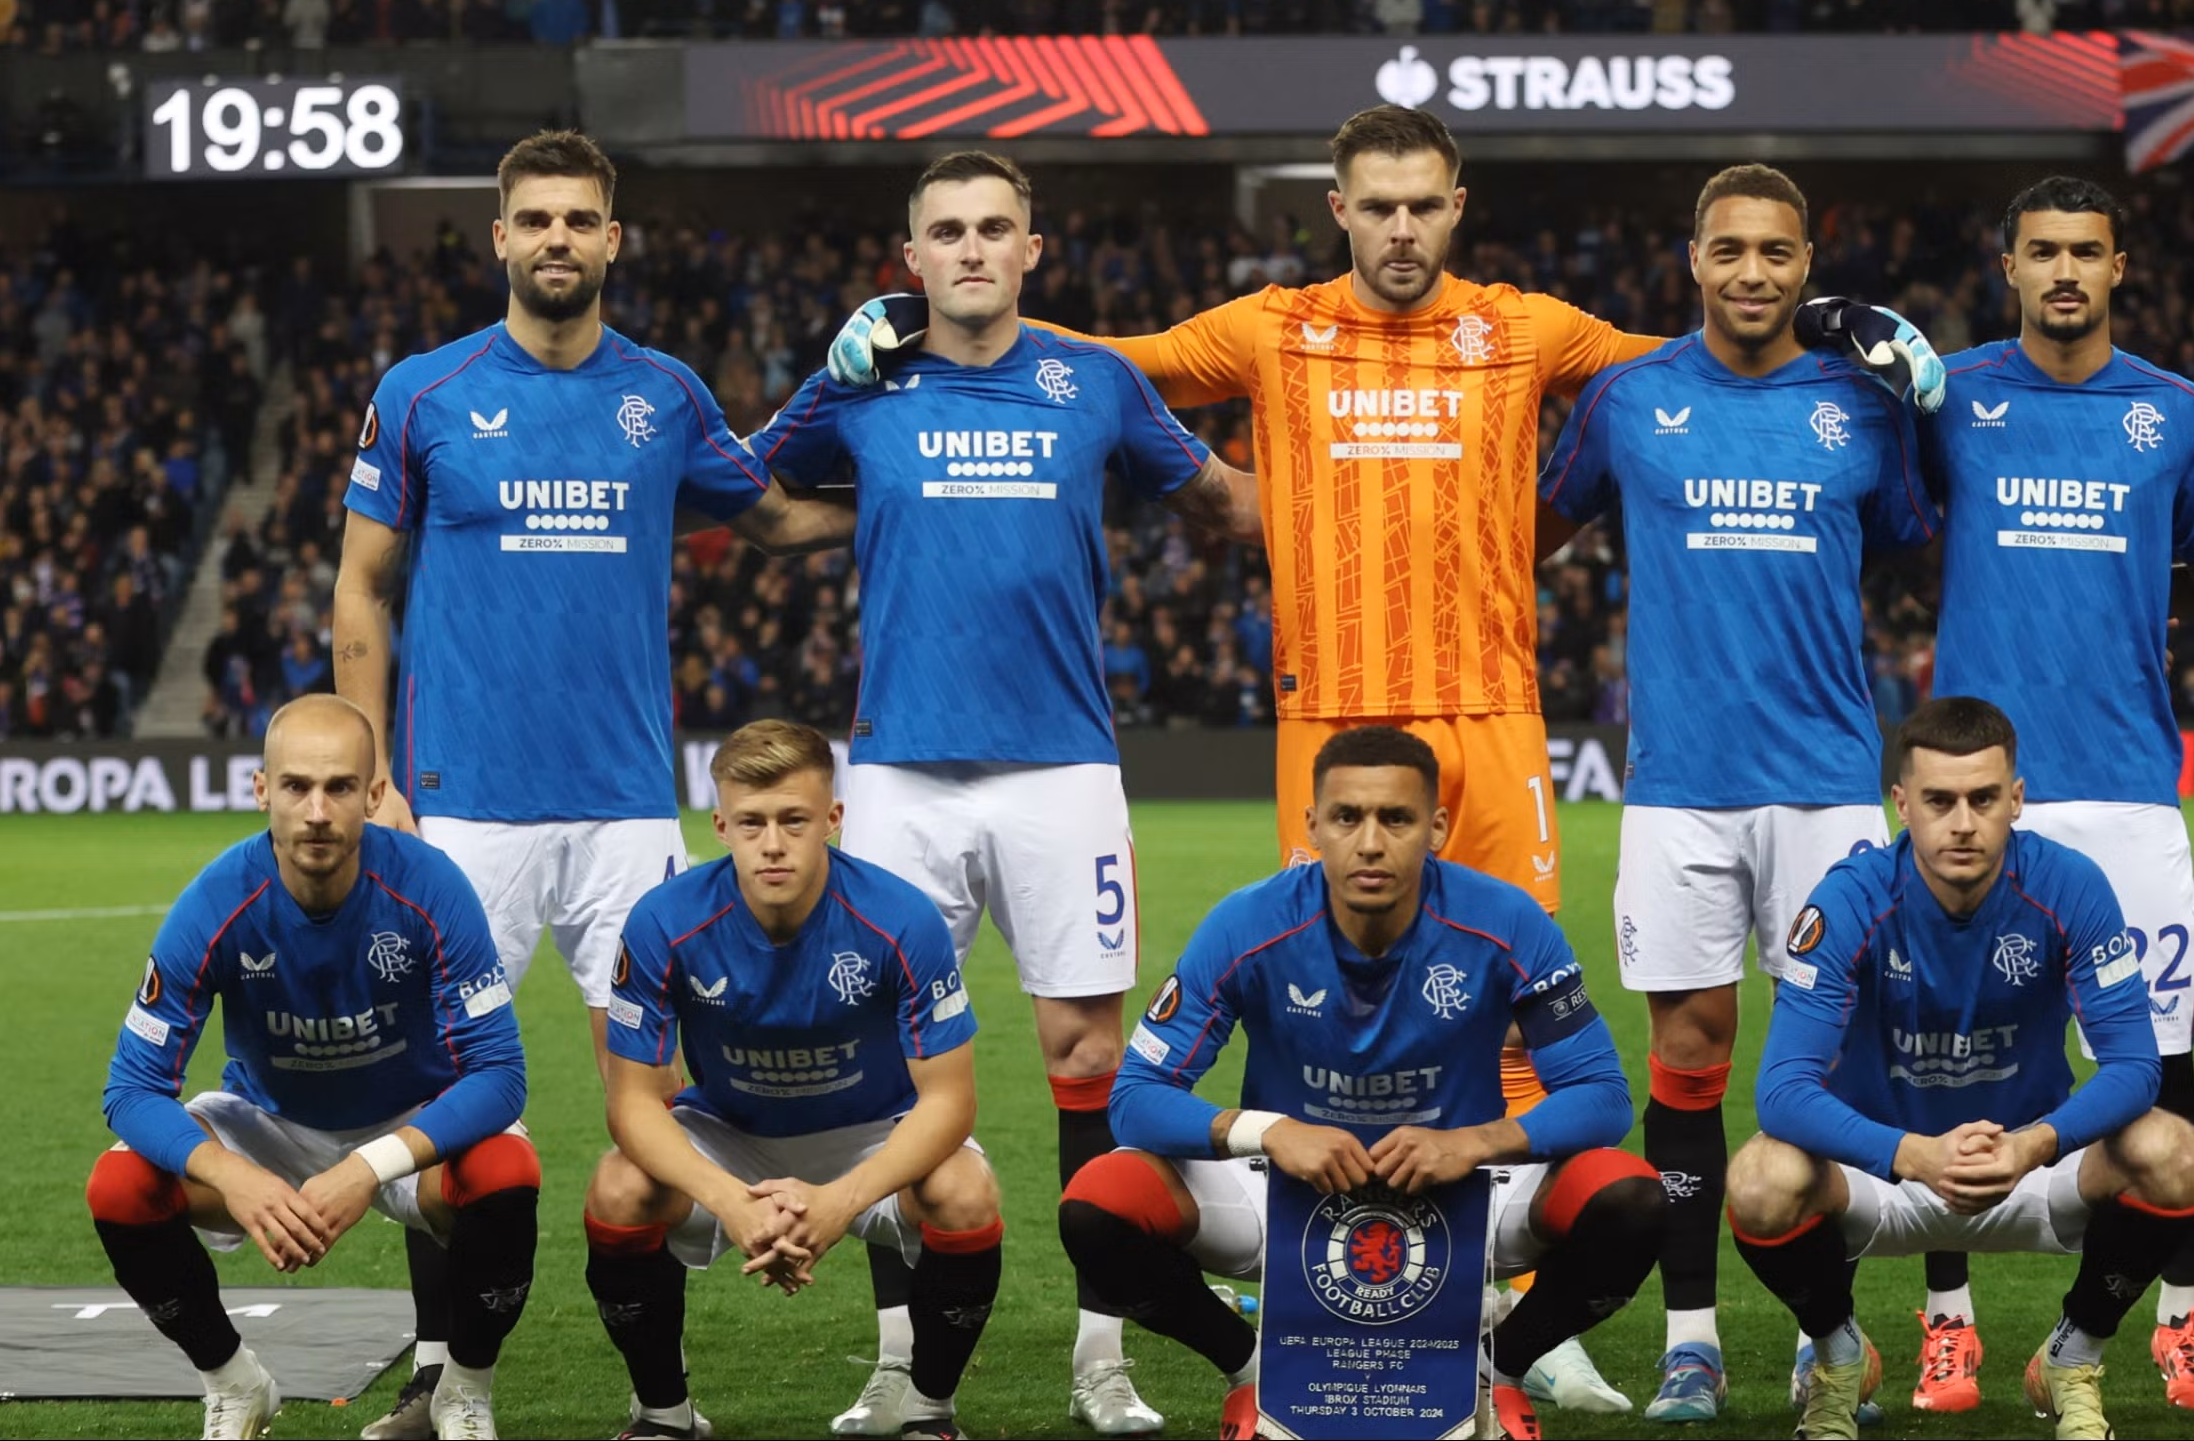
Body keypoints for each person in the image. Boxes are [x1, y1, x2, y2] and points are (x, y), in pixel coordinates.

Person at [831, 106, 1944, 1413]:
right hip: (1336, 723)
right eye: (1378, 206)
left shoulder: (1525, 329)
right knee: (1321, 1014)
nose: (1402, 229)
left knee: (1521, 1023)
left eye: (1424, 205)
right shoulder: (1271, 329)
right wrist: (912, 323)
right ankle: (1318, 1285)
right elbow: (1100, 368)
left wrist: (1838, 329)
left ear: (1456, 208)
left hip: (1493, 716)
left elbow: (1703, 357)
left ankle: (1522, 1309)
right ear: (1340, 211)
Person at [331, 128, 844, 1436]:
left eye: (580, 220)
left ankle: (661, 1405)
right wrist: (374, 771)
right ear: (500, 237)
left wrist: (916, 491)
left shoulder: (663, 394)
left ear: (613, 240)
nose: (557, 238)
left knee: (654, 1103)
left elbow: (775, 515)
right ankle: (445, 1380)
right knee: (444, 1106)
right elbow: (361, 586)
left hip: (624, 811)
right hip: (462, 805)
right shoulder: (425, 393)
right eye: (537, 219)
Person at [746, 149, 1257, 1437]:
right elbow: (745, 498)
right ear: (910, 258)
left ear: (1033, 249)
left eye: (993, 229)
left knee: (1086, 1058)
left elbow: (1220, 503)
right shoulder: (864, 382)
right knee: (885, 1073)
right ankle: (897, 1361)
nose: (970, 249)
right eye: (947, 232)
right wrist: (839, 408)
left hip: (1063, 767)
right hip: (902, 772)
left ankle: (1103, 1357)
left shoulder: (1097, 381)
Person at [1530, 162, 1934, 1423]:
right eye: (1729, 249)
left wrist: (1921, 402)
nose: (1752, 272)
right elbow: (1530, 531)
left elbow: (1917, 541)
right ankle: (1691, 1346)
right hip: (1681, 787)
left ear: (1807, 265)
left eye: (1775, 251)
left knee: (1834, 1072)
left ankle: (1830, 1338)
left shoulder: (1860, 402)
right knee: (1689, 1059)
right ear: (1693, 261)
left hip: (1827, 784)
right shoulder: (1628, 398)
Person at [1058, 725, 1664, 1441]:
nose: (1370, 843)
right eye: (1347, 817)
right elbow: (1134, 1096)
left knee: (1629, 1199)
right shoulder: (1247, 924)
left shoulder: (1507, 922)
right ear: (1313, 826)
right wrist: (1270, 1132)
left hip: (1464, 1197)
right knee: (1100, 1202)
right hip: (1282, 1196)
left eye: (1396, 819)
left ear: (1436, 828)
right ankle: (1252, 1370)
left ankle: (1494, 1371)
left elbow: (1603, 1095)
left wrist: (1475, 1142)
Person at [1913, 175, 2194, 1412]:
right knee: (1951, 1060)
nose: (2065, 271)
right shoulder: (1949, 396)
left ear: (2118, 268)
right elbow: (1892, 522)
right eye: (2042, 251)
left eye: (2085, 252)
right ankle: (1948, 1327)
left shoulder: (2177, 411)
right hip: (1976, 783)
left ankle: (2180, 1320)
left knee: (2161, 1066)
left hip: (2128, 786)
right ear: (2008, 266)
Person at [1725, 696, 2194, 1441]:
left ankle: (2072, 1361)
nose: (1962, 823)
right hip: (1886, 1173)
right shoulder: (1849, 899)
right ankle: (1838, 1357)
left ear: (2016, 799)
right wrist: (1912, 1154)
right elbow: (1782, 1091)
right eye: (1939, 801)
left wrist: (2034, 1144)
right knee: (1759, 1180)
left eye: (1983, 799)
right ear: (1901, 804)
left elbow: (2137, 1067)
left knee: (2175, 1153)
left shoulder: (2070, 885)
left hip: (2030, 1162)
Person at [86, 695, 533, 1441]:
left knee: (505, 1171)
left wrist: (366, 1168)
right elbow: (131, 1087)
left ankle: (462, 1393)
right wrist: (234, 1175)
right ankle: (233, 1383)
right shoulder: (213, 903)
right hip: (272, 1125)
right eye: (296, 787)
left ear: (374, 794)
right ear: (262, 790)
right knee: (120, 1186)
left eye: (339, 787)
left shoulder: (431, 887)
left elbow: (500, 1073)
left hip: (408, 1126)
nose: (317, 812)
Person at [583, 721, 1003, 1441]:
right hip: (730, 1135)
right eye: (751, 823)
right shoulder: (663, 921)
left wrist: (842, 1201)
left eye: (794, 820)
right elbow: (632, 1104)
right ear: (721, 826)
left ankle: (929, 1413)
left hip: (871, 1134)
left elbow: (950, 1100)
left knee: (966, 1193)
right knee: (618, 1188)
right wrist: (729, 1202)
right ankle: (663, 1415)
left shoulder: (902, 918)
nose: (772, 844)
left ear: (832, 819)